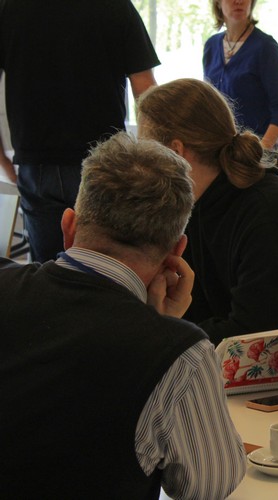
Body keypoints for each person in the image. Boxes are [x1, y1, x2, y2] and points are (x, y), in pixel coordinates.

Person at [0, 133, 246, 498]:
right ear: (176, 252)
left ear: (69, 226)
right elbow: (211, 486)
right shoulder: (179, 354)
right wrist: (164, 326)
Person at [137, 78, 278, 345]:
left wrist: (161, 335)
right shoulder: (196, 205)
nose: (141, 164)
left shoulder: (270, 211)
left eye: (144, 150)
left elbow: (249, 332)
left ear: (175, 151)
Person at [0, 0, 160, 263]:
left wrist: (2, 159)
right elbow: (146, 90)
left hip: (38, 164)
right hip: (106, 161)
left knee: (47, 271)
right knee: (104, 268)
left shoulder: (9, 8)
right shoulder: (115, 6)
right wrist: (151, 159)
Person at [204, 0, 278, 159]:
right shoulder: (211, 46)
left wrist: (261, 149)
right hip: (224, 154)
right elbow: (209, 103)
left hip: (262, 154)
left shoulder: (265, 46)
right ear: (218, 3)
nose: (239, 1)